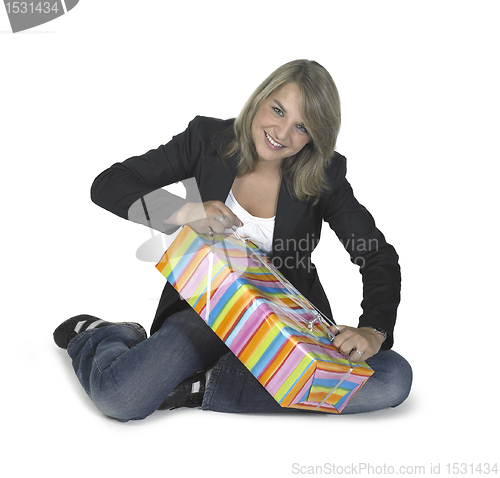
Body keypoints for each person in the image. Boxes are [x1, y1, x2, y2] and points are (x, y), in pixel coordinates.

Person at [54, 60, 412, 421]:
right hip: (206, 310)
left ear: (315, 136)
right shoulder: (206, 139)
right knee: (120, 399)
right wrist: (183, 212)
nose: (282, 133)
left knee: (394, 378)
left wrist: (373, 329)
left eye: (301, 127)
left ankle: (199, 387)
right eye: (278, 110)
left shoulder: (325, 174)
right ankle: (103, 335)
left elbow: (377, 255)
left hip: (288, 327)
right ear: (260, 98)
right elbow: (110, 183)